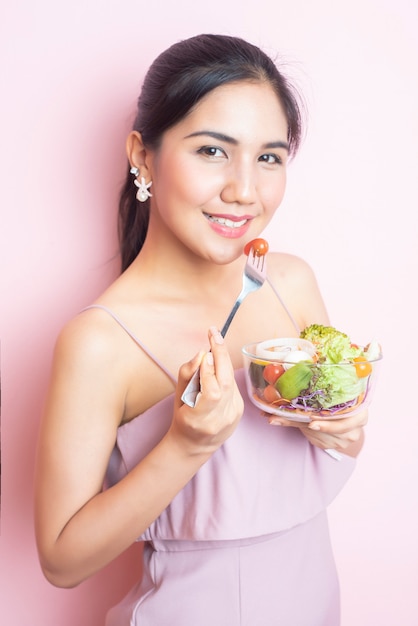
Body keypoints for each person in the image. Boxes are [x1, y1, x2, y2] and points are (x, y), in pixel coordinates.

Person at [34, 34, 367, 625]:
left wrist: (342, 431)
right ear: (142, 155)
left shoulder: (291, 285)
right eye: (213, 151)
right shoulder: (101, 342)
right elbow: (61, 561)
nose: (245, 190)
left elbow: (328, 451)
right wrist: (186, 445)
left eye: (269, 157)